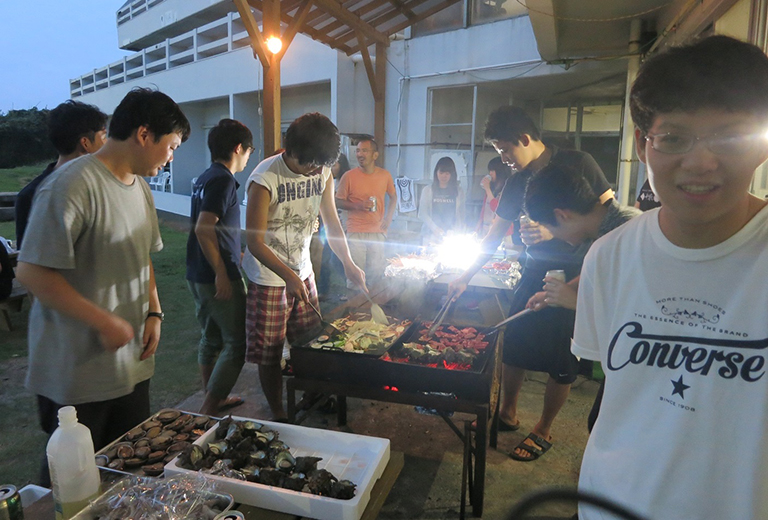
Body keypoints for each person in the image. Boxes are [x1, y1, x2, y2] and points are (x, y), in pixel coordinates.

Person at [573, 35, 768, 519]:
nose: (700, 163)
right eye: (674, 138)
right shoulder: (608, 257)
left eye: (729, 137)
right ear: (643, 145)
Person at [16, 87, 190, 485]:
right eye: (171, 146)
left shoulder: (139, 187)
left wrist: (154, 311)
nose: (171, 157)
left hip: (131, 363)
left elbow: (143, 255)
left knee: (131, 470)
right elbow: (31, 271)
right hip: (78, 372)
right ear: (144, 135)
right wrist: (103, 321)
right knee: (71, 482)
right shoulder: (70, 185)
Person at [448, 105, 613, 462]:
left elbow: (607, 217)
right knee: (515, 344)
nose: (504, 158)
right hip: (533, 269)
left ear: (524, 138)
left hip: (576, 270)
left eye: (505, 149)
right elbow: (493, 234)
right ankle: (507, 411)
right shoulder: (516, 181)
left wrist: (553, 231)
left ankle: (543, 428)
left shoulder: (578, 163)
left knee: (562, 356)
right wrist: (464, 275)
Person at [243, 113, 367, 421]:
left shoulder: (322, 172)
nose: (314, 170)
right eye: (309, 164)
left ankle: (314, 394)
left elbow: (332, 223)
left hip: (303, 271)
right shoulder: (265, 180)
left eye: (320, 165)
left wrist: (348, 262)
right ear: (291, 149)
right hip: (269, 278)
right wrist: (287, 276)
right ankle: (277, 411)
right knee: (271, 352)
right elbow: (254, 242)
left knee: (312, 341)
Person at [186, 119, 253, 416]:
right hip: (215, 274)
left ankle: (212, 396)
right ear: (238, 148)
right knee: (236, 343)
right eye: (249, 151)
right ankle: (210, 407)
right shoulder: (223, 180)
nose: (248, 157)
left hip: (197, 272)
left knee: (211, 337)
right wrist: (222, 273)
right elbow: (204, 228)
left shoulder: (205, 176)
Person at [15, 100, 108, 249]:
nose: (107, 144)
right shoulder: (32, 197)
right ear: (85, 143)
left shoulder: (106, 185)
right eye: (103, 137)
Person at [336, 137, 397, 289]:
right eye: (357, 151)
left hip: (377, 231)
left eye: (364, 151)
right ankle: (355, 302)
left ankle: (373, 303)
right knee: (355, 276)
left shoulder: (385, 175)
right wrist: (358, 205)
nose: (359, 154)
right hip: (355, 231)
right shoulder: (348, 176)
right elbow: (337, 201)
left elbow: (393, 197)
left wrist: (388, 218)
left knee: (376, 275)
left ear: (375, 155)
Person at [316, 154, 351, 300]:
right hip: (326, 226)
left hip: (342, 225)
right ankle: (324, 290)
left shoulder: (345, 181)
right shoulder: (326, 179)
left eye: (335, 165)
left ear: (342, 165)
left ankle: (347, 288)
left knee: (337, 260)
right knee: (325, 258)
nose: (331, 169)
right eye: (329, 166)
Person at [418, 156, 466, 243]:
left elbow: (461, 214)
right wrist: (435, 228)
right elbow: (422, 213)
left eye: (447, 173)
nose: (444, 176)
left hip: (452, 236)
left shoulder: (459, 191)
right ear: (436, 172)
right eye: (441, 172)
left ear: (452, 174)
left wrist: (457, 230)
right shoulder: (427, 190)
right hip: (430, 235)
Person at [476, 156, 512, 237]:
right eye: (489, 171)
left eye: (492, 170)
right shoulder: (491, 188)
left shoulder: (508, 190)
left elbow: (497, 209)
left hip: (502, 232)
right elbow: (484, 209)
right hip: (486, 229)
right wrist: (479, 225)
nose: (490, 173)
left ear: (500, 171)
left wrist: (487, 189)